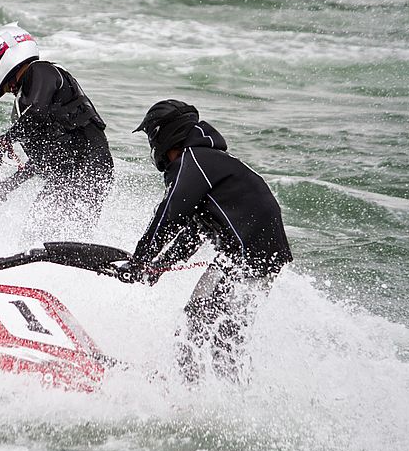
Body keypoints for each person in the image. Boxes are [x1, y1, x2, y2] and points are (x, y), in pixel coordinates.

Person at [118, 99, 292, 383]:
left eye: (152, 136)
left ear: (166, 135)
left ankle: (185, 391)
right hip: (256, 259)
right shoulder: (211, 162)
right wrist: (159, 266)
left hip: (244, 258)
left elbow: (169, 214)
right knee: (225, 335)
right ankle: (226, 395)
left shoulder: (193, 161)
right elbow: (193, 231)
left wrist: (139, 261)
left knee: (194, 325)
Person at [0, 22, 114, 231]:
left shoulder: (40, 71)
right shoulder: (26, 101)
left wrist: (3, 141)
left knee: (61, 227)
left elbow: (37, 115)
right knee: (34, 230)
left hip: (89, 167)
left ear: (3, 54)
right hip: (69, 174)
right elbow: (44, 158)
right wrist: (10, 184)